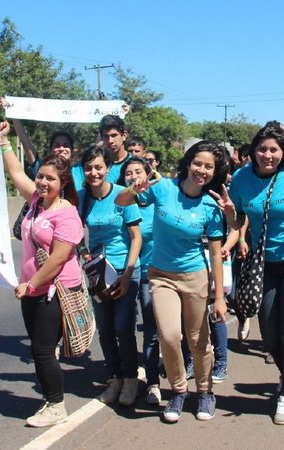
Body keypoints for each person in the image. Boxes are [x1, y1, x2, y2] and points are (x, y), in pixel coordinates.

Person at [214, 121, 284, 425]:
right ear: (254, 151)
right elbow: (238, 221)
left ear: (282, 152)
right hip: (264, 263)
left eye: (273, 149)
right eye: (262, 149)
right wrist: (229, 214)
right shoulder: (241, 178)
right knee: (269, 333)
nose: (267, 154)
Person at [116, 140, 227, 423]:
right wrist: (134, 188)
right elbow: (121, 202)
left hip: (195, 278)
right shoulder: (164, 187)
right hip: (161, 275)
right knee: (168, 335)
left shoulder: (211, 206)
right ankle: (178, 390)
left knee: (198, 339)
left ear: (215, 172)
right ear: (188, 163)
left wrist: (219, 297)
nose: (201, 170)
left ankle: (205, 391)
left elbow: (215, 254)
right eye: (197, 163)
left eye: (208, 167)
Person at [0, 121, 85, 427]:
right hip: (31, 290)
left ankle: (55, 405)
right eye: (41, 177)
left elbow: (59, 258)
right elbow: (16, 173)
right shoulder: (36, 203)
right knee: (40, 346)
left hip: (54, 290)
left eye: (50, 179)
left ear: (63, 182)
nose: (42, 182)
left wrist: (32, 282)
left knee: (43, 349)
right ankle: (51, 399)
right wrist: (4, 142)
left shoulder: (67, 213)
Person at [78, 146, 142, 406]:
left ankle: (130, 379)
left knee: (123, 328)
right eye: (89, 167)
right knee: (104, 329)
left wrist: (127, 275)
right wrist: (82, 253)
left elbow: (136, 237)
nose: (94, 172)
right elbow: (74, 234)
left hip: (125, 271)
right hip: (97, 273)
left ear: (107, 169)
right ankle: (113, 378)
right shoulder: (81, 198)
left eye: (98, 167)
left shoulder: (122, 195)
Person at [118, 157, 160, 404]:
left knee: (152, 330)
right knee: (122, 327)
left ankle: (153, 382)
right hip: (125, 272)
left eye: (138, 171)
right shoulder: (120, 201)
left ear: (148, 173)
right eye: (128, 173)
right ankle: (128, 378)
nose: (134, 176)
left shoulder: (157, 199)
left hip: (152, 272)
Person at [99, 115, 131, 184]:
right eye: (106, 136)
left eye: (114, 135)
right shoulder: (97, 165)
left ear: (124, 135)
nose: (110, 141)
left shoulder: (137, 164)